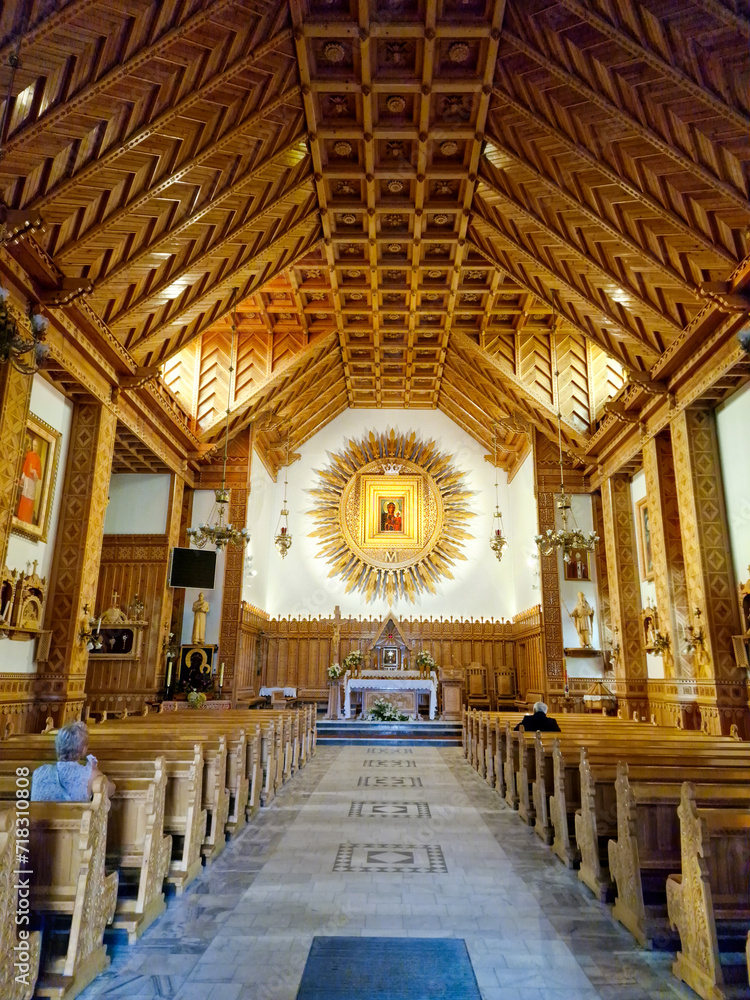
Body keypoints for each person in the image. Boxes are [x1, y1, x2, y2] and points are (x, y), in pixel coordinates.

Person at [30, 722, 115, 801]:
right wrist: (96, 771)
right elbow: (112, 790)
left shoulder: (39, 772)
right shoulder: (90, 774)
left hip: (39, 817)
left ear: (58, 746)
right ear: (83, 750)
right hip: (77, 817)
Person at [17, 435, 42, 524]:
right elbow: (25, 468)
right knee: (24, 498)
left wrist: (33, 471)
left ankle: (27, 520)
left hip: (32, 483)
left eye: (36, 446)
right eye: (33, 445)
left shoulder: (38, 459)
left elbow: (38, 476)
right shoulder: (29, 455)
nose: (34, 447)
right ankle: (21, 517)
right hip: (27, 480)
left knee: (29, 501)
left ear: (38, 447)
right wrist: (22, 479)